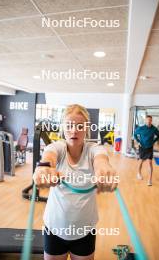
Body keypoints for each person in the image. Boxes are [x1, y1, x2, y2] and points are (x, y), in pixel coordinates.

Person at [33, 104, 118, 260]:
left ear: (86, 129)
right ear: (63, 128)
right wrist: (44, 168)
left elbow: (101, 160)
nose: (74, 130)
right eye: (69, 125)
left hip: (85, 230)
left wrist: (104, 168)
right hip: (54, 228)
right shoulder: (57, 147)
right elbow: (49, 157)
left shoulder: (94, 149)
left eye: (80, 126)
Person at [134, 115, 159, 186]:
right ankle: (139, 173)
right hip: (142, 147)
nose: (149, 121)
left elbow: (158, 136)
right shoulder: (141, 128)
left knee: (150, 163)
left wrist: (153, 141)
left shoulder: (154, 129)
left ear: (151, 121)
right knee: (141, 161)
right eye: (147, 120)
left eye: (150, 120)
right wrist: (138, 142)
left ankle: (149, 180)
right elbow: (135, 134)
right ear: (145, 121)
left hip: (150, 148)